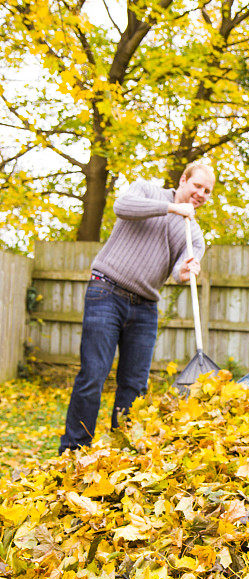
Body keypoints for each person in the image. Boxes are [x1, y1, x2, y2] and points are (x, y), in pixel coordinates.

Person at [59, 162, 215, 453]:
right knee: (93, 374)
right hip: (106, 291)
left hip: (145, 308)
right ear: (183, 180)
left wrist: (185, 272)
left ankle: (123, 453)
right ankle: (73, 452)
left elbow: (183, 267)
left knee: (134, 386)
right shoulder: (147, 190)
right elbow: (122, 206)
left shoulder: (194, 235)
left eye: (207, 191)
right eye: (197, 186)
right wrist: (172, 209)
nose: (201, 194)